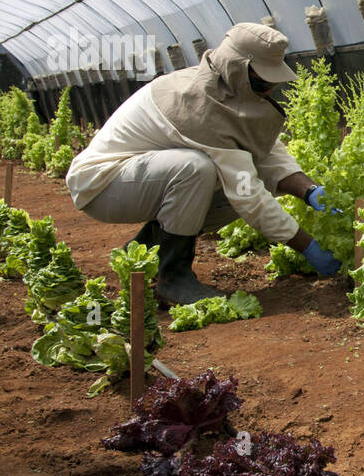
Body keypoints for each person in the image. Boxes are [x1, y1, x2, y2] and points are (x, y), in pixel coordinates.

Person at [66, 22, 341, 306]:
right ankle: (173, 277)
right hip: (103, 185)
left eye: (273, 82)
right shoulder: (198, 105)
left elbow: (265, 149)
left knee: (220, 185)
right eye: (262, 82)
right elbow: (248, 195)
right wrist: (308, 246)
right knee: (196, 169)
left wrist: (309, 190)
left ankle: (145, 251)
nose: (269, 91)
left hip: (141, 181)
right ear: (236, 70)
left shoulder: (224, 90)